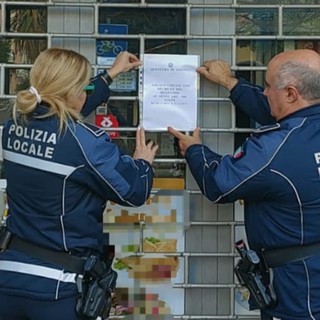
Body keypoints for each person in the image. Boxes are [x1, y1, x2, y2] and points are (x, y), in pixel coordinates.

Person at [0, 48, 158, 320]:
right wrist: (142, 164)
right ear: (73, 91)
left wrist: (110, 75)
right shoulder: (86, 142)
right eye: (83, 86)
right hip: (57, 287)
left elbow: (58, 113)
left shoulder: (13, 124)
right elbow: (134, 192)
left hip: (9, 274)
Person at [168, 49, 320, 320]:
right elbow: (281, 113)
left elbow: (219, 184)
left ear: (292, 93)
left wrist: (194, 150)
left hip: (299, 285)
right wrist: (229, 82)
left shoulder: (274, 149)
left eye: (268, 86)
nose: (264, 92)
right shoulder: (303, 121)